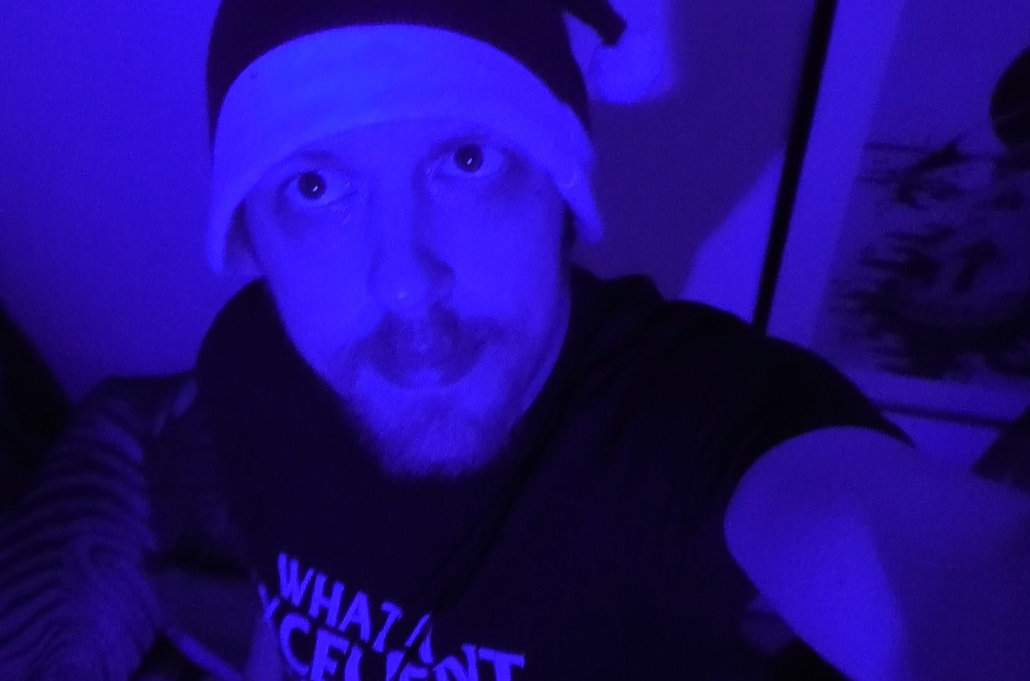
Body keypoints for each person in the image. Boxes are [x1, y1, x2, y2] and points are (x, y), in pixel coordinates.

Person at [2, 0, 1029, 680]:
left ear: (560, 189)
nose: (406, 281)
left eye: (466, 159)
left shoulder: (691, 425)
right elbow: (289, 607)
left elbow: (945, 585)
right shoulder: (251, 365)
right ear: (252, 238)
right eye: (312, 187)